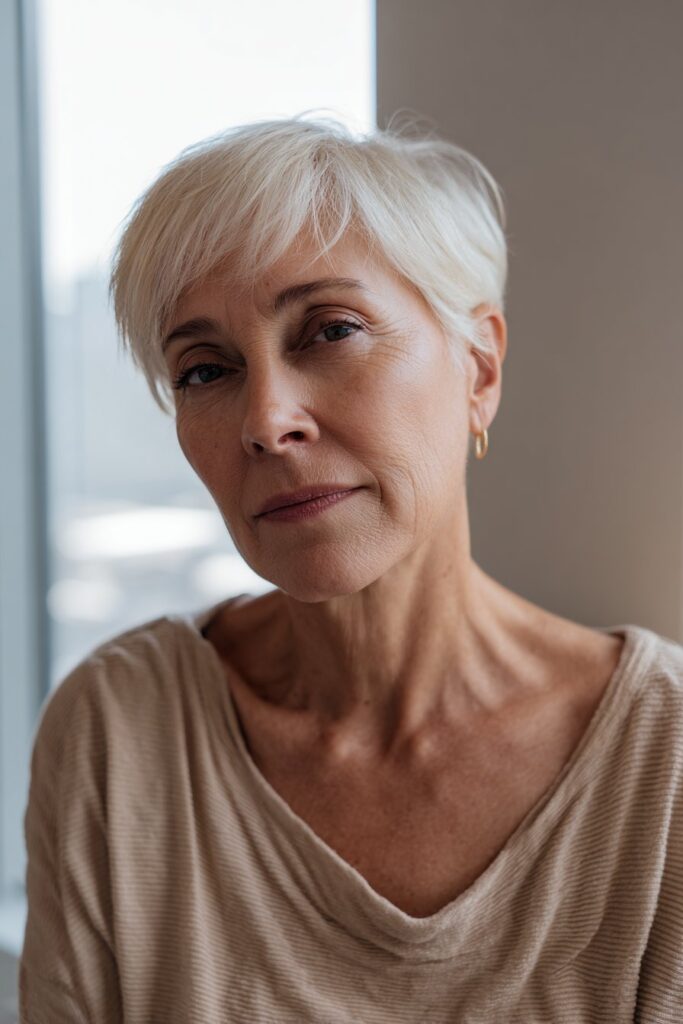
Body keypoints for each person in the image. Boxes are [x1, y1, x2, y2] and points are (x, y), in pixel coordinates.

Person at [19, 114, 683, 1023]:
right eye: (205, 371)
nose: (266, 419)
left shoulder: (664, 761)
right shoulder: (119, 730)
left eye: (328, 330)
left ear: (478, 368)